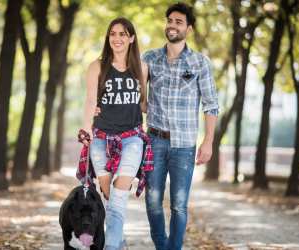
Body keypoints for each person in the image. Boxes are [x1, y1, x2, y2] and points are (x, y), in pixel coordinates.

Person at [142, 3, 219, 250]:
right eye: (170, 20)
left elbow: (211, 105)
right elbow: (136, 96)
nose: (172, 25)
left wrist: (208, 141)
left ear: (189, 28)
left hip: (185, 145)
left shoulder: (200, 63)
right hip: (154, 140)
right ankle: (162, 247)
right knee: (152, 201)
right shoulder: (149, 58)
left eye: (178, 22)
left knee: (178, 205)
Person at [77, 17, 153, 250]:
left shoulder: (142, 67)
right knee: (110, 197)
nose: (117, 38)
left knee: (119, 198)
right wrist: (85, 128)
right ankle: (118, 242)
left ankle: (110, 247)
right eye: (113, 34)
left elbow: (143, 104)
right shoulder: (97, 66)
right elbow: (90, 101)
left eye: (122, 34)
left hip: (132, 139)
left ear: (131, 38)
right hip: (101, 139)